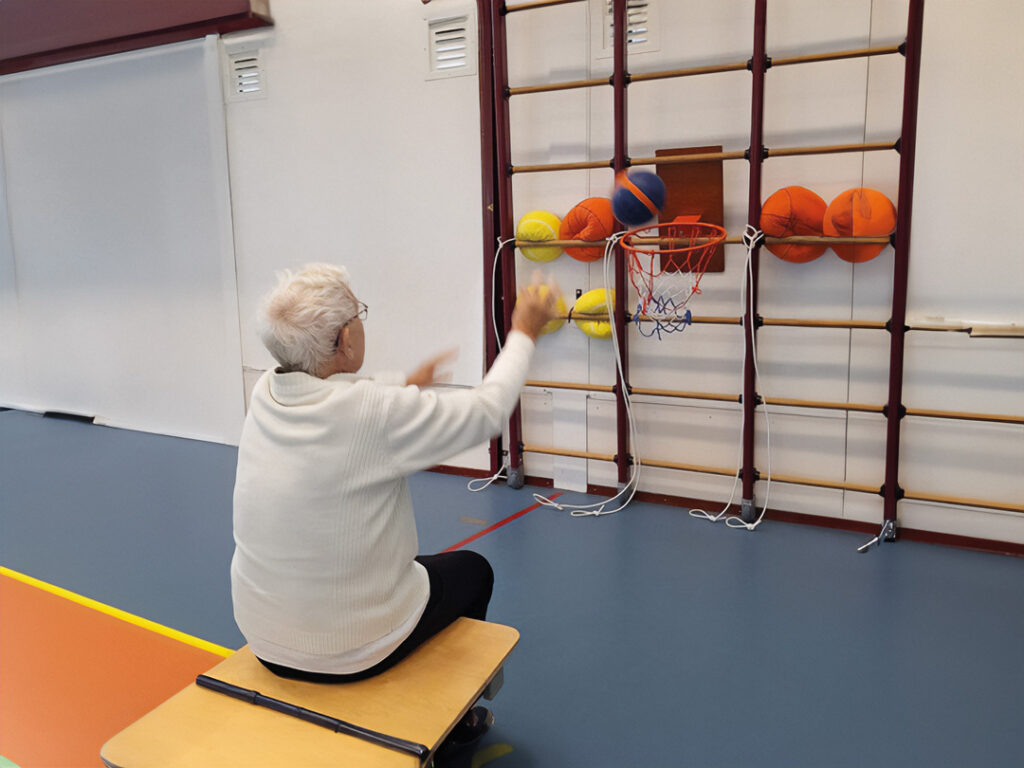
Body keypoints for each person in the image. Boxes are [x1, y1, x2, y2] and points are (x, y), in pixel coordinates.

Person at [230, 263, 556, 755]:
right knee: (474, 571)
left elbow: (344, 400)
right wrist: (523, 332)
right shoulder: (373, 414)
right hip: (350, 651)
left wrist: (405, 382)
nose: (363, 322)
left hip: (264, 639)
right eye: (358, 313)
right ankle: (451, 725)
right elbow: (487, 413)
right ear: (344, 340)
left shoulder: (266, 394)